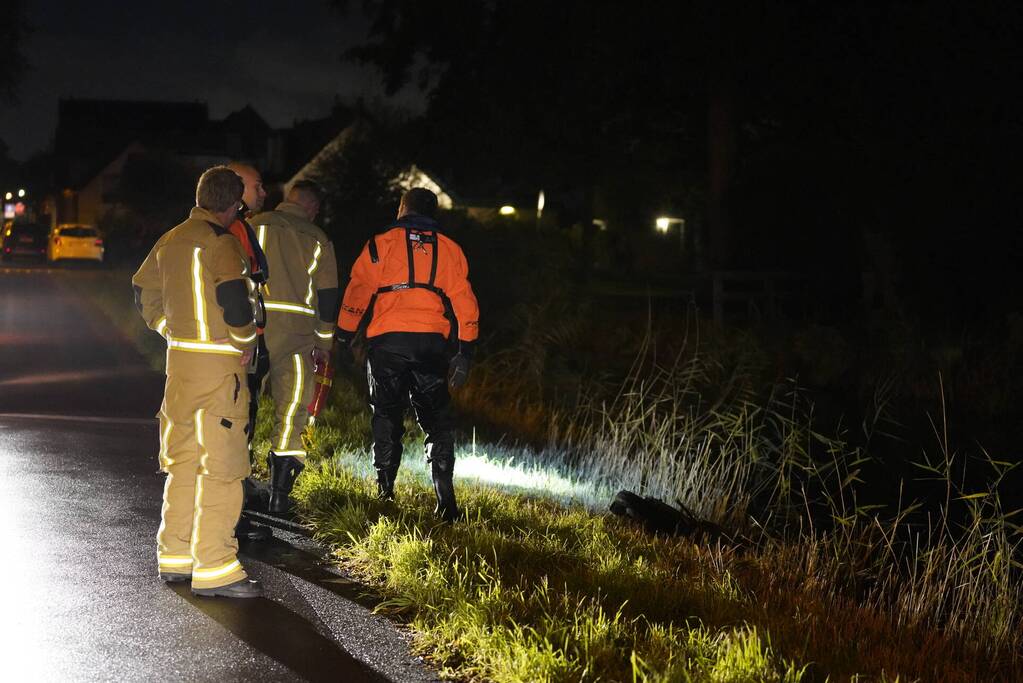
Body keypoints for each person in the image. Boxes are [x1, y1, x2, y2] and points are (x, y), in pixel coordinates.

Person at [132, 166, 263, 598]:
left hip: (180, 364)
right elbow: (234, 301)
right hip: (218, 368)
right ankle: (217, 568)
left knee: (183, 460)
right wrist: (244, 342)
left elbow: (142, 290)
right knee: (223, 467)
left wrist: (168, 327)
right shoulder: (220, 243)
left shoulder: (169, 240)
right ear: (232, 205)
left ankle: (176, 554)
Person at [335, 188, 479, 522]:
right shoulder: (450, 250)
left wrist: (343, 335)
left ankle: (384, 493)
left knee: (386, 414)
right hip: (431, 344)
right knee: (437, 421)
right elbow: (466, 302)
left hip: (388, 344)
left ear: (402, 209)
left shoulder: (380, 244)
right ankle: (446, 502)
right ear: (434, 213)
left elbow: (358, 291)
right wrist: (466, 350)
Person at [248, 180, 339, 512]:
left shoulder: (253, 225)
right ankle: (278, 495)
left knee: (244, 401)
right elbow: (328, 295)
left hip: (252, 329)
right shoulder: (318, 238)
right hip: (298, 337)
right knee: (293, 409)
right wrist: (324, 341)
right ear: (312, 208)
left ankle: (237, 486)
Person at [225, 162, 272, 540]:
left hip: (245, 344)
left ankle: (236, 499)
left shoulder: (239, 227)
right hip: (238, 347)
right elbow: (234, 289)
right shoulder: (229, 230)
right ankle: (233, 515)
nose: (264, 193)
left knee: (241, 423)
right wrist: (245, 343)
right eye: (258, 186)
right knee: (237, 425)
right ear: (237, 188)